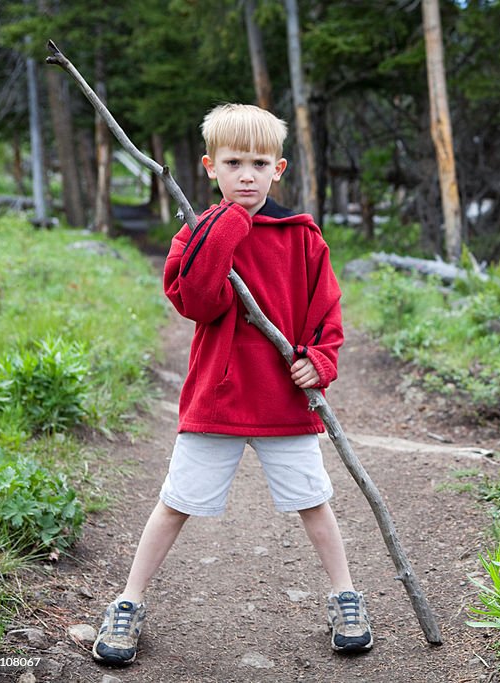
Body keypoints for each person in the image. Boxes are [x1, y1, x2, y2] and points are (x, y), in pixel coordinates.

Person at [92, 103, 372, 664]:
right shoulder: (197, 235)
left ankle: (345, 595)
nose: (247, 174)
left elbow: (328, 312)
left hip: (284, 401)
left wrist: (319, 360)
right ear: (210, 167)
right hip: (215, 401)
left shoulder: (301, 237)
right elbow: (196, 301)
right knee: (175, 503)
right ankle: (128, 600)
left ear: (280, 169)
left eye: (259, 163)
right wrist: (229, 224)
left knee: (314, 502)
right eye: (234, 162)